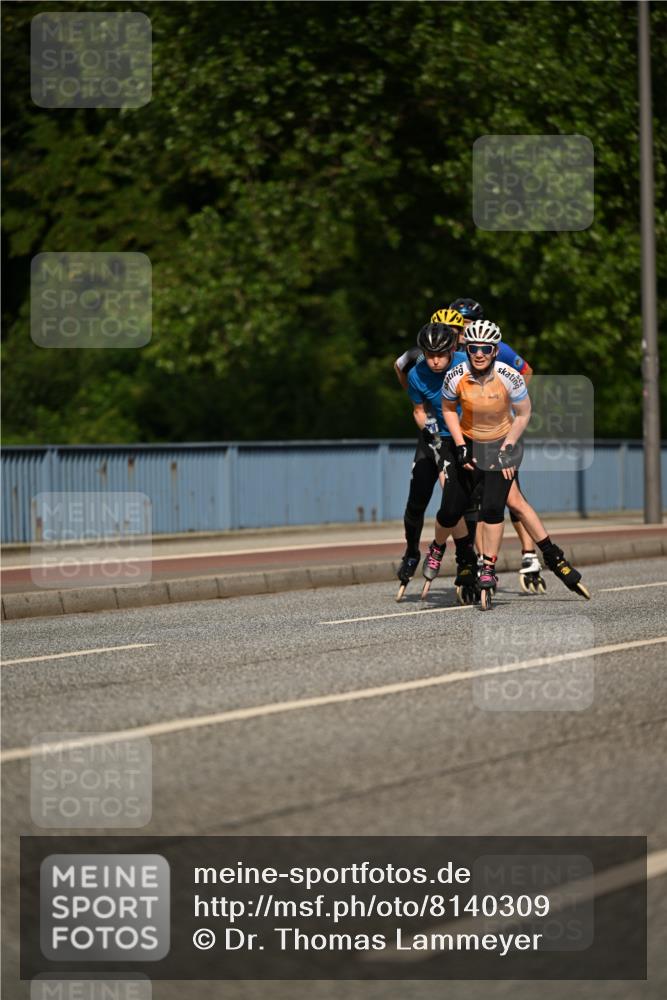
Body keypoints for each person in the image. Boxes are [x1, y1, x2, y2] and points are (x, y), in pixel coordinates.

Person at [422, 319, 590, 602]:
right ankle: (437, 547)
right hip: (467, 441)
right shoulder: (456, 375)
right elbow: (448, 409)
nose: (478, 354)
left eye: (485, 349)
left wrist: (508, 445)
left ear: (495, 350)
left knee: (492, 507)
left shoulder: (508, 376)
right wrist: (460, 445)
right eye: (472, 347)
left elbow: (523, 415)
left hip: (503, 442)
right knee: (451, 510)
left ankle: (490, 566)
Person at [442, 297, 545, 593]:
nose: (462, 330)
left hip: (498, 433)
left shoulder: (491, 347)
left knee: (510, 497)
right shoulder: (452, 352)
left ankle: (529, 556)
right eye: (459, 324)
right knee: (467, 501)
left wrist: (510, 405)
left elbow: (525, 371)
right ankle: (477, 561)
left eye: (467, 323)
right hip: (465, 433)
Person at [395, 317, 478, 598]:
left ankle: (466, 562)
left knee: (452, 499)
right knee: (416, 499)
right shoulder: (417, 371)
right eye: (430, 355)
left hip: (460, 439)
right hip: (432, 437)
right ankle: (410, 552)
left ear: (453, 348)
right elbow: (417, 407)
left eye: (441, 355)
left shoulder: (465, 364)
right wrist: (426, 426)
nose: (435, 361)